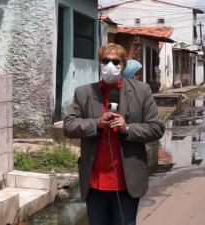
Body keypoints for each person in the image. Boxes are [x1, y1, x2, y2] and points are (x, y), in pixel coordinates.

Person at [63, 43, 165, 225]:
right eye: (106, 61)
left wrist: (128, 129)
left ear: (123, 65)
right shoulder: (84, 93)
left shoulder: (141, 91)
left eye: (115, 61)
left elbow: (156, 128)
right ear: (100, 63)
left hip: (127, 183)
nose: (110, 65)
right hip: (94, 185)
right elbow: (69, 126)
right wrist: (96, 124)